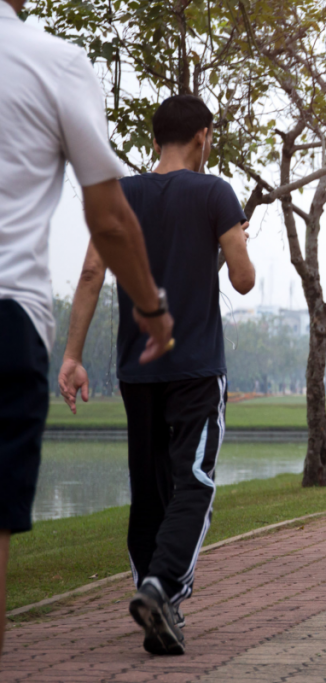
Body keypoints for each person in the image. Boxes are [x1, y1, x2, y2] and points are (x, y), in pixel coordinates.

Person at [0, 0, 174, 661]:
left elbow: (98, 254)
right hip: (7, 313)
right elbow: (107, 221)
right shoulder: (54, 63)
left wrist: (76, 350)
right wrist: (153, 311)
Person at [58, 95, 253, 655]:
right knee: (195, 482)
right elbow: (242, 278)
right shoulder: (216, 192)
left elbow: (93, 270)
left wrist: (71, 358)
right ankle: (161, 586)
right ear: (204, 137)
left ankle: (157, 610)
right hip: (195, 367)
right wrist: (229, 246)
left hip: (137, 372)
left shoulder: (121, 194)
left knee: (149, 489)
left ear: (154, 140)